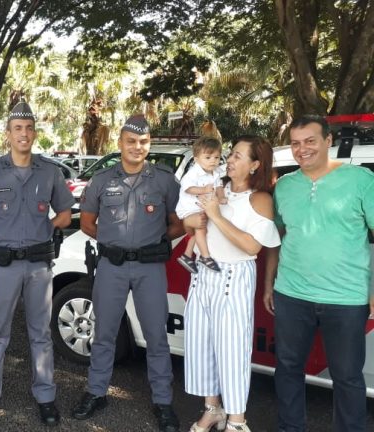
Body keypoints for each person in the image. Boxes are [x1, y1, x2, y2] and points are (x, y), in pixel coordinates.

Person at [71, 114, 185, 432]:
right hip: (112, 266)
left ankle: (163, 401)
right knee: (104, 333)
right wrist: (114, 243)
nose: (137, 147)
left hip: (150, 268)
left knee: (156, 336)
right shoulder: (102, 180)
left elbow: (178, 223)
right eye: (131, 141)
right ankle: (96, 393)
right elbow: (87, 223)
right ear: (120, 143)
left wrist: (157, 242)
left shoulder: (164, 180)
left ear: (149, 143)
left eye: (143, 141)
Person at [264, 115, 374, 432]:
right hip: (291, 294)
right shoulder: (285, 186)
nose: (302, 149)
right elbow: (276, 238)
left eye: (310, 141)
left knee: (347, 377)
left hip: (346, 298)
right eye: (295, 143)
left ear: (328, 141)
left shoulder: (361, 180)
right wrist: (269, 284)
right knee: (287, 368)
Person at [0, 100, 74, 428]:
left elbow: (66, 213)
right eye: (17, 128)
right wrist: (2, 234)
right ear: (8, 133)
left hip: (39, 265)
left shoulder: (50, 172)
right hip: (4, 266)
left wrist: (47, 228)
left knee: (40, 333)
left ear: (34, 133)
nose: (23, 134)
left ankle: (46, 397)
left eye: (28, 128)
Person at [184, 136, 280, 432]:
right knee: (201, 345)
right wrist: (195, 219)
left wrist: (215, 215)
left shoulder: (260, 199)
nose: (230, 159)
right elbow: (189, 222)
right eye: (231, 153)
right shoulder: (217, 187)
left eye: (238, 155)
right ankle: (212, 409)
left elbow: (252, 246)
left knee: (233, 350)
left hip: (234, 276)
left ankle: (237, 421)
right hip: (203, 273)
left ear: (255, 164)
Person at [176, 137, 227, 273]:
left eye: (216, 157)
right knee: (201, 229)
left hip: (201, 207)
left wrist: (221, 197)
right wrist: (203, 190)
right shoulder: (193, 173)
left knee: (199, 232)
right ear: (196, 159)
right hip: (189, 208)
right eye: (208, 157)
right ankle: (205, 257)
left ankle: (187, 255)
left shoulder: (216, 173)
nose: (213, 161)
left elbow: (219, 186)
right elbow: (188, 188)